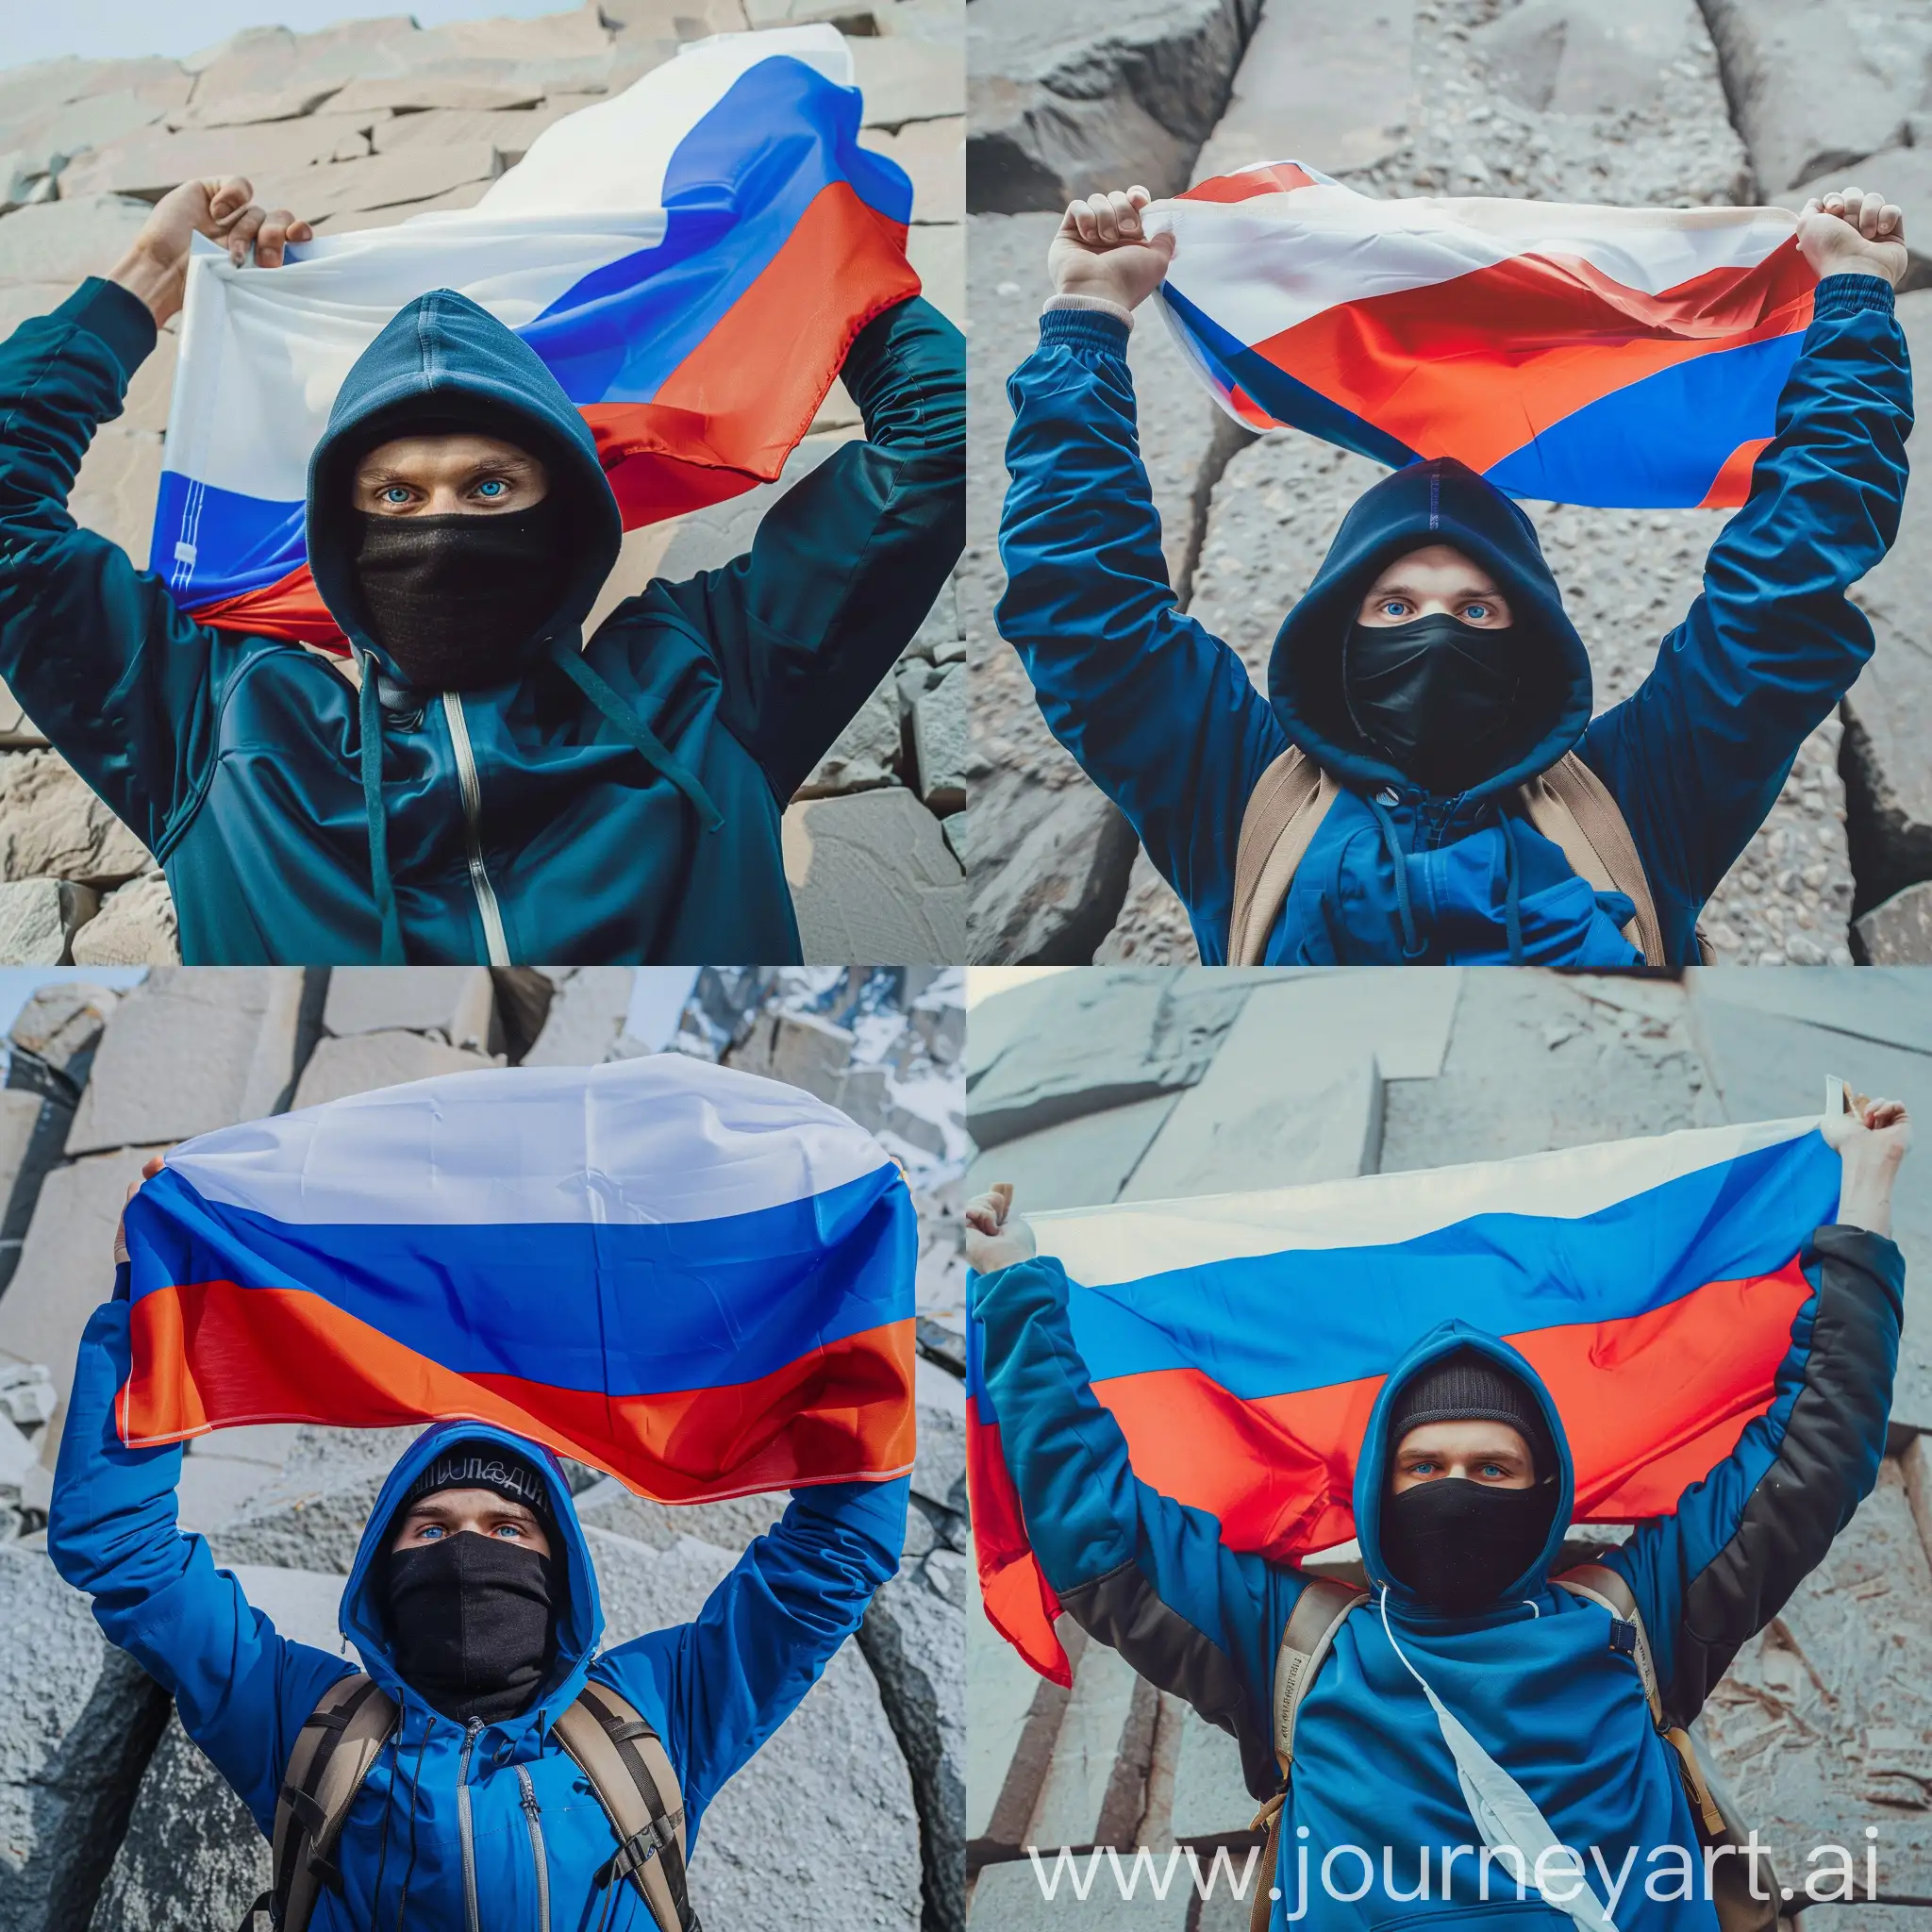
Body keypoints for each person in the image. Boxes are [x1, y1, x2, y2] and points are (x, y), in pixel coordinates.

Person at [965, 1089, 1910, 1928]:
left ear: (1546, 1491)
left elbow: (1809, 1459)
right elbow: (1101, 1535)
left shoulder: (1642, 1616)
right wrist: (1014, 1289)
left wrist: (1863, 1202)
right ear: (1378, 1488)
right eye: (1423, 1464)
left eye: (1490, 1468)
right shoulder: (1287, 1646)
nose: (1454, 1485)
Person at [0, 175, 964, 964]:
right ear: (342, 528)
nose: (444, 525)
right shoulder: (229, 730)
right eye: (396, 497)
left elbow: (940, 443)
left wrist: (815, 250)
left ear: (568, 512)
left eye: (492, 487)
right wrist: (151, 272)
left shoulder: (699, 684)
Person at [993, 181, 1912, 965]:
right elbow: (1086, 606)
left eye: (1474, 609)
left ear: (1532, 636)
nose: (1432, 630)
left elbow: (1781, 596)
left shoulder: (1642, 789)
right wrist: (1085, 314)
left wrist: (1853, 306)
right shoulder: (1236, 787)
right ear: (1335, 629)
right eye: (1395, 603)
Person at [47, 1155, 908, 1927]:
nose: (469, 1554)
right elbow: (121, 1548)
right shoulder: (298, 1719)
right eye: (432, 1529)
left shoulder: (659, 1712)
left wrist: (871, 1297)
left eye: (507, 1528)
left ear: (558, 1562)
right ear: (383, 1566)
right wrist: (144, 1303)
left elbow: (830, 1564)